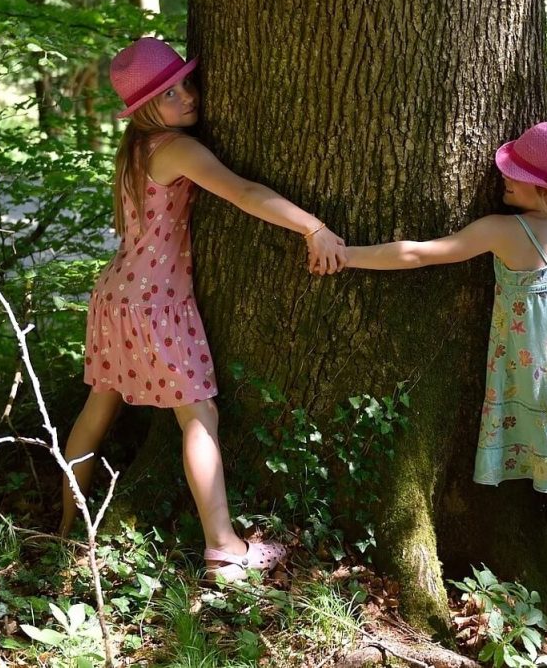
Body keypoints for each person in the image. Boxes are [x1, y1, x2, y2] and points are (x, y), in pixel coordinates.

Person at [344, 121, 547, 633]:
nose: (501, 175)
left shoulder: (507, 231)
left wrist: (347, 256)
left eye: (516, 173)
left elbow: (419, 253)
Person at [59, 37, 346, 582]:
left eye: (185, 83)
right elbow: (243, 191)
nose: (188, 96)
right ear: (147, 107)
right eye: (171, 93)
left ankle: (68, 525)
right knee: (198, 415)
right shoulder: (176, 149)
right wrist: (312, 225)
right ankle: (223, 547)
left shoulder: (135, 148)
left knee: (99, 406)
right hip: (155, 304)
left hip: (115, 295)